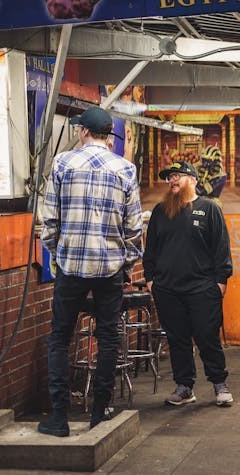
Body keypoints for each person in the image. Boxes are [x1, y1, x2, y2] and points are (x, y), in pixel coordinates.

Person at [38, 107, 144, 436]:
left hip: (70, 267)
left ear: (84, 132)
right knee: (109, 337)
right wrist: (125, 263)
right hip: (109, 268)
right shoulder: (125, 169)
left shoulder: (63, 164)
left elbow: (50, 222)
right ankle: (99, 412)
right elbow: (134, 228)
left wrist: (58, 255)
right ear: (107, 135)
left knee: (59, 338)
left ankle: (59, 418)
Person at [143, 160, 234, 408]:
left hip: (203, 288)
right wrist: (151, 280)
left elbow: (221, 248)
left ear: (192, 180)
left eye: (178, 176)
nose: (172, 180)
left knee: (207, 337)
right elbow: (150, 250)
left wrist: (220, 281)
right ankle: (185, 387)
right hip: (168, 290)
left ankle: (219, 384)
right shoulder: (161, 212)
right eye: (169, 177)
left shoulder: (209, 209)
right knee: (177, 339)